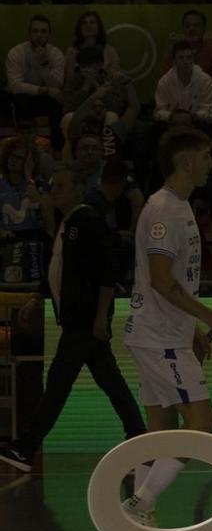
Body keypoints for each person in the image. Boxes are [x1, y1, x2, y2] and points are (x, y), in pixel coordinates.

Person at [114, 130, 212, 528]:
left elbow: (173, 281)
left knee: (159, 430)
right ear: (186, 161)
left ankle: (140, 518)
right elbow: (161, 280)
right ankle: (139, 503)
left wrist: (189, 326)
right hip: (160, 339)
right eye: (206, 156)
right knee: (201, 425)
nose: (211, 163)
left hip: (161, 333)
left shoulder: (178, 206)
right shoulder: (165, 211)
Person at [0, 166, 147, 471]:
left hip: (82, 321)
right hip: (78, 321)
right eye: (52, 186)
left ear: (79, 188)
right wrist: (38, 296)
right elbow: (60, 269)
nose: (54, 191)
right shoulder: (70, 223)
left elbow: (106, 273)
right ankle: (139, 441)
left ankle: (25, 447)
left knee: (59, 385)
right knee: (109, 383)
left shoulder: (86, 221)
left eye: (61, 186)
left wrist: (98, 318)